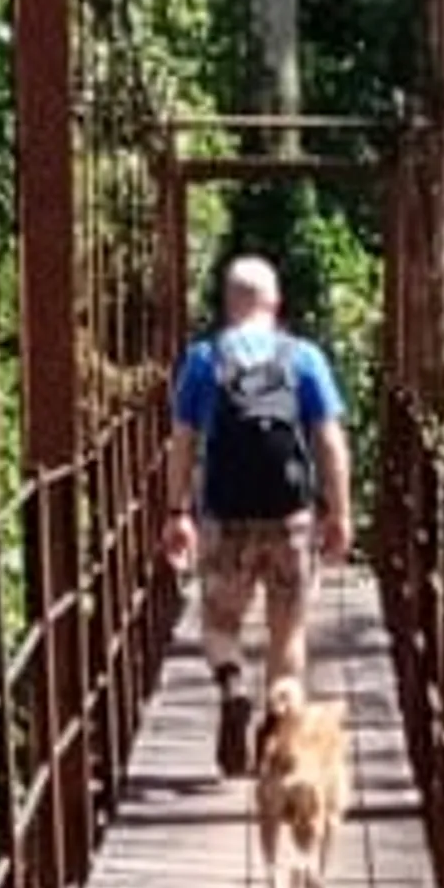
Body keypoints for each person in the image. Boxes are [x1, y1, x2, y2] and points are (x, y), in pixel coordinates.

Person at [165, 254, 353, 776]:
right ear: (276, 303)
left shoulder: (203, 360)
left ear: (228, 304)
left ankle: (231, 684)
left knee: (220, 622)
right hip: (290, 517)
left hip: (225, 518)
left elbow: (182, 443)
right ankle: (276, 721)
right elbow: (331, 441)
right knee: (287, 632)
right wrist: (339, 512)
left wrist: (177, 510)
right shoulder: (304, 358)